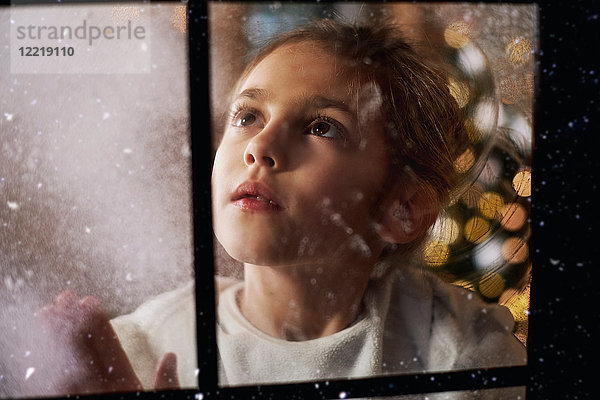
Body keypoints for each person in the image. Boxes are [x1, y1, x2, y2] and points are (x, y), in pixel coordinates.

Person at [35, 18, 526, 397]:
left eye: (322, 127)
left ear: (402, 208)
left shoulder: (467, 361)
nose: (260, 146)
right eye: (247, 116)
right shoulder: (136, 350)